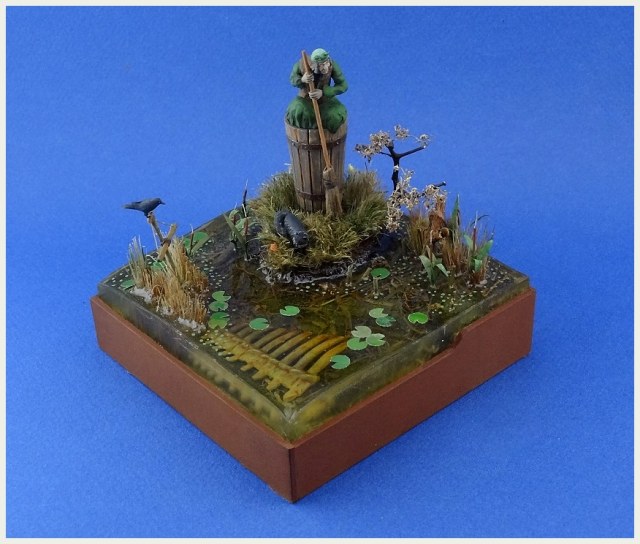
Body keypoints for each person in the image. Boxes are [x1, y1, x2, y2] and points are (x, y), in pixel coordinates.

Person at [285, 48, 348, 133]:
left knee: (335, 115)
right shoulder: (302, 64)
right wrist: (302, 79)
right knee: (298, 112)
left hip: (325, 100)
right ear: (314, 64)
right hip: (305, 99)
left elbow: (343, 86)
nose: (325, 67)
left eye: (326, 63)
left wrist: (323, 92)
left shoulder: (332, 66)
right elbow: (292, 79)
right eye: (321, 65)